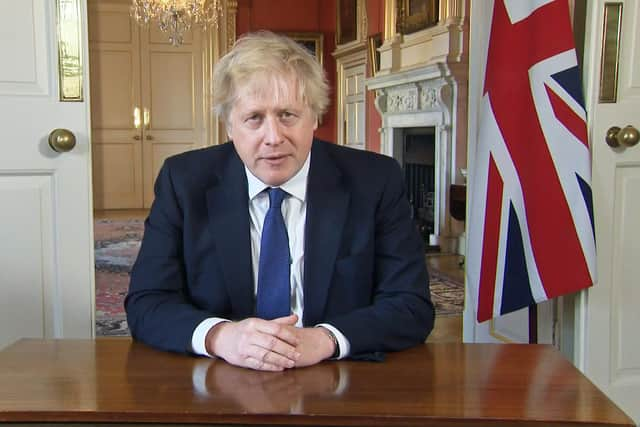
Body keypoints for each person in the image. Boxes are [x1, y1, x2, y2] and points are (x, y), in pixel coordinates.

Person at [125, 31, 434, 371]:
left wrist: (326, 339)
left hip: (338, 378)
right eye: (254, 118)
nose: (273, 138)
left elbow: (411, 305)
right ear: (229, 125)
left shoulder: (375, 181)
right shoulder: (184, 182)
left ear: (315, 117)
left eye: (287, 115)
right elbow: (147, 301)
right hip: (221, 378)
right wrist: (220, 336)